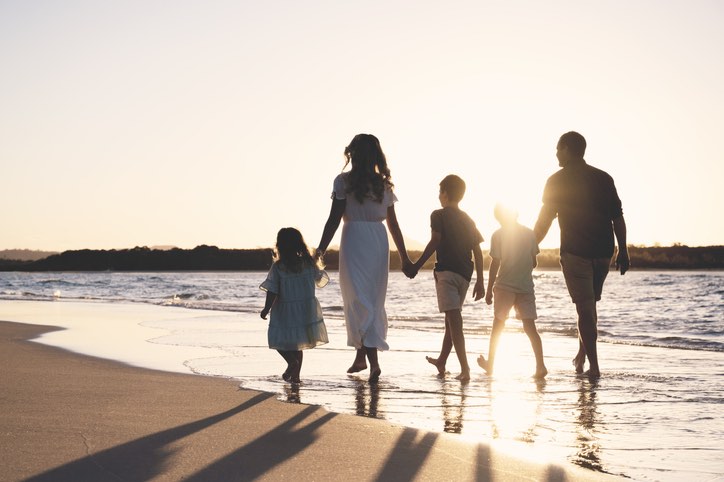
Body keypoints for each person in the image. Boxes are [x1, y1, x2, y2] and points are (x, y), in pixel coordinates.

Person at [315, 134, 412, 383]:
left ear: (353, 154)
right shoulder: (383, 185)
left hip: (354, 238)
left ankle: (372, 362)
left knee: (358, 300)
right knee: (370, 300)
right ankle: (362, 356)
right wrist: (404, 257)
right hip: (378, 241)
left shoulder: (343, 181)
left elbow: (334, 219)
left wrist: (320, 250)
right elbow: (394, 226)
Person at [534, 131, 629, 378]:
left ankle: (594, 368)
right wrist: (624, 250)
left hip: (576, 252)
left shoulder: (556, 180)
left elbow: (544, 220)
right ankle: (581, 356)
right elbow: (617, 217)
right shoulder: (603, 178)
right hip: (603, 253)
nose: (555, 153)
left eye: (558, 148)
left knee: (585, 309)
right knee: (588, 306)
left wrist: (530, 246)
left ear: (567, 149)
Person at [406, 174, 484, 382]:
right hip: (465, 275)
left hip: (447, 272)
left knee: (454, 320)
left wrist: (416, 265)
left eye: (440, 191)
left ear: (446, 193)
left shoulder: (438, 215)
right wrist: (481, 281)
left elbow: (435, 241)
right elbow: (477, 251)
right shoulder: (468, 218)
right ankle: (442, 360)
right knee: (452, 319)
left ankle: (465, 369)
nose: (438, 195)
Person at [477, 204, 547, 379]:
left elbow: (495, 264)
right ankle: (540, 365)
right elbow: (534, 263)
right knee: (530, 327)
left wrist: (488, 289)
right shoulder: (529, 233)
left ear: (499, 217)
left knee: (498, 326)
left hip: (505, 286)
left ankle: (491, 364)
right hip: (525, 287)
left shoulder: (498, 235)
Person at [260, 227, 329, 384]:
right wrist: (315, 258)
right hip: (305, 309)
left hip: (284, 309)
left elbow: (272, 290)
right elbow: (320, 279)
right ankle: (295, 376)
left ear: (280, 246)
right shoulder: (308, 264)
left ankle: (292, 364)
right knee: (298, 344)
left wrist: (266, 308)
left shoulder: (278, 267)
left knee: (278, 339)